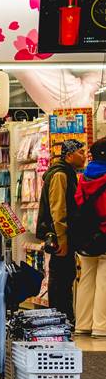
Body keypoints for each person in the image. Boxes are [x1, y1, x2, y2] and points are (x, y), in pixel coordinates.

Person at [37, 138, 87, 325]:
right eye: (80, 152)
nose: (84, 156)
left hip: (62, 235)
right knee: (61, 278)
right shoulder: (60, 174)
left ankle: (62, 317)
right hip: (59, 236)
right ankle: (59, 318)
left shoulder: (67, 173)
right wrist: (62, 238)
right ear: (69, 155)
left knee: (64, 277)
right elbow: (58, 208)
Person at [76, 138, 106, 337]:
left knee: (85, 279)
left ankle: (82, 323)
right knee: (104, 281)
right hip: (104, 233)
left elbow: (78, 203)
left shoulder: (83, 178)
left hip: (85, 236)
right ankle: (101, 326)